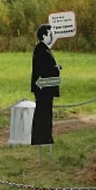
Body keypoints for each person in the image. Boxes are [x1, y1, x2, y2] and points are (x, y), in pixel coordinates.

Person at [30, 23, 61, 152]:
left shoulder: (44, 49)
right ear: (44, 36)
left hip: (45, 87)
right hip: (43, 88)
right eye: (50, 34)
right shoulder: (41, 50)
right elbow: (44, 68)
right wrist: (56, 69)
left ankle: (45, 136)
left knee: (46, 113)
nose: (52, 36)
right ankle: (41, 137)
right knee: (43, 113)